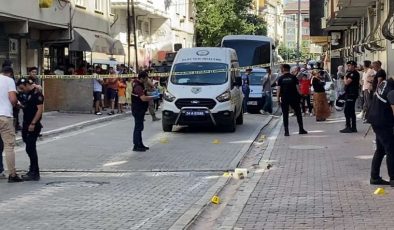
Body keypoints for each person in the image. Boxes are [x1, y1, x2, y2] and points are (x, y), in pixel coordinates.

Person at [366, 78, 394, 186]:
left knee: (381, 149)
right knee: (391, 149)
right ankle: (393, 178)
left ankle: (374, 177)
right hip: (383, 122)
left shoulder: (385, 82)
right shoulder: (392, 91)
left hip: (375, 119)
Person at [16, 78, 44, 181]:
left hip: (33, 125)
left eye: (22, 88)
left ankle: (35, 172)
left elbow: (40, 110)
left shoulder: (37, 93)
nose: (22, 90)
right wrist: (20, 106)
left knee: (31, 148)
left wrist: (33, 123)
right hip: (26, 124)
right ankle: (32, 169)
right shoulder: (27, 94)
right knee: (29, 147)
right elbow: (27, 106)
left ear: (27, 84)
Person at [0, 66, 23, 182]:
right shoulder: (9, 81)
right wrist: (17, 104)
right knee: (9, 146)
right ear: (10, 73)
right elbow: (13, 99)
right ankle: (12, 175)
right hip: (4, 116)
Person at [276, 64, 308, 136]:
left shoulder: (280, 78)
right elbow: (298, 88)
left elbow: (278, 89)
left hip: (284, 98)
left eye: (281, 68)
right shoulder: (294, 77)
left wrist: (278, 99)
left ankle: (286, 131)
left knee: (285, 114)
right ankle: (301, 129)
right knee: (298, 113)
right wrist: (302, 95)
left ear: (284, 69)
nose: (281, 69)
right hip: (294, 98)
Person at [131, 71, 155, 152]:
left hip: (140, 109)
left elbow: (144, 93)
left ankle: (140, 144)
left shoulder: (140, 85)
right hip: (138, 109)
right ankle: (136, 145)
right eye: (146, 78)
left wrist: (150, 93)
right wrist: (152, 97)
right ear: (142, 78)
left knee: (140, 127)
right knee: (138, 128)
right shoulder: (138, 86)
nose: (147, 80)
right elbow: (143, 98)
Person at [340, 61, 360, 133]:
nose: (348, 67)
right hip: (349, 93)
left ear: (354, 66)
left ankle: (348, 126)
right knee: (351, 111)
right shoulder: (350, 73)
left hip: (351, 94)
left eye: (350, 65)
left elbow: (346, 82)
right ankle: (353, 127)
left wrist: (345, 77)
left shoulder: (354, 73)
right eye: (348, 65)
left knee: (347, 110)